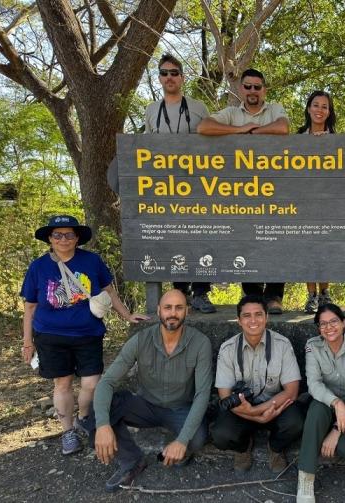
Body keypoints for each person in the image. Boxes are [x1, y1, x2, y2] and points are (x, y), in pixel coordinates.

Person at [20, 215, 146, 457]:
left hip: (88, 333)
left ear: (77, 238)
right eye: (58, 234)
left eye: (69, 234)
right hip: (50, 335)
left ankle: (84, 417)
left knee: (91, 383)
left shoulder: (91, 261)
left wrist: (127, 315)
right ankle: (68, 431)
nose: (64, 239)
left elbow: (109, 291)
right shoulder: (38, 267)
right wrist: (27, 342)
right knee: (62, 383)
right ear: (50, 238)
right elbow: (30, 307)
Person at [86, 289, 212, 492]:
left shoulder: (200, 343)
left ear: (187, 312)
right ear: (159, 310)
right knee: (101, 409)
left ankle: (179, 450)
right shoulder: (141, 340)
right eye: (168, 307)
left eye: (179, 308)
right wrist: (102, 425)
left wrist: (181, 441)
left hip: (180, 408)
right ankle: (131, 461)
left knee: (196, 439)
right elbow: (107, 382)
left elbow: (203, 394)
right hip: (146, 405)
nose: (173, 313)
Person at [198, 68, 289, 314]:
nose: (252, 91)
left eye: (257, 87)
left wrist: (253, 132)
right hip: (240, 190)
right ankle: (253, 296)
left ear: (264, 90)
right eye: (247, 86)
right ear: (241, 90)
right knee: (245, 241)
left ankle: (274, 296)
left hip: (274, 188)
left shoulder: (275, 109)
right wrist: (238, 130)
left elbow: (282, 128)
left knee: (276, 238)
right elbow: (204, 127)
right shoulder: (230, 113)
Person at [144, 53, 216, 313]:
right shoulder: (152, 111)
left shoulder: (198, 107)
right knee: (176, 238)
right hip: (166, 188)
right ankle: (180, 291)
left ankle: (201, 292)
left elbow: (212, 143)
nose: (169, 77)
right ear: (159, 77)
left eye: (174, 72)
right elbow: (146, 150)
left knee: (201, 237)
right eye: (164, 73)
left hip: (198, 186)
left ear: (182, 77)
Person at [211, 295, 303, 473]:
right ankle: (243, 447)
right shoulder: (228, 348)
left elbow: (291, 392)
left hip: (274, 407)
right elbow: (224, 396)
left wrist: (261, 411)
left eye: (258, 314)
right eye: (246, 316)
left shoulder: (282, 345)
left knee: (296, 422)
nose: (253, 320)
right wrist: (254, 414)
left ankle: (275, 448)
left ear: (267, 317)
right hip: (241, 409)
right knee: (220, 434)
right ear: (238, 320)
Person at [296, 303, 345, 503]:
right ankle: (305, 479)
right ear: (318, 328)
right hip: (326, 402)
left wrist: (336, 430)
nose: (329, 327)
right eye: (323, 324)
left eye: (334, 321)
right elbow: (314, 384)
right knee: (316, 410)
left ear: (343, 323)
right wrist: (336, 404)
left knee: (343, 448)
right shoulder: (313, 346)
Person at [297, 90, 336, 313]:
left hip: (328, 202)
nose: (319, 110)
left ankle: (325, 293)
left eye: (324, 106)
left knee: (326, 250)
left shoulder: (337, 139)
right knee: (308, 250)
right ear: (309, 108)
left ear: (329, 112)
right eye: (316, 105)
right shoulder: (297, 138)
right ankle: (311, 295)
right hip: (303, 203)